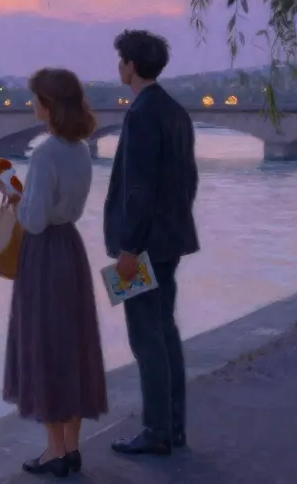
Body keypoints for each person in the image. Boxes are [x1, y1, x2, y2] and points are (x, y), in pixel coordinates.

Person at [0, 67, 108, 477]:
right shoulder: (80, 150)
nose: (31, 104)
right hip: (70, 250)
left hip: (43, 255)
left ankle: (54, 452)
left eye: (35, 97)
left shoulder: (44, 152)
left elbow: (34, 219)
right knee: (71, 345)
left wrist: (11, 194)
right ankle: (71, 448)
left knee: (45, 346)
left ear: (48, 104)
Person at [103, 29, 200, 457]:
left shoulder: (141, 114)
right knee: (165, 331)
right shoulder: (176, 112)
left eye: (121, 59)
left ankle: (155, 430)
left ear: (132, 65)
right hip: (170, 241)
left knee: (145, 337)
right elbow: (188, 180)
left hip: (141, 246)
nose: (118, 66)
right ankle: (174, 427)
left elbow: (137, 188)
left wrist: (127, 247)